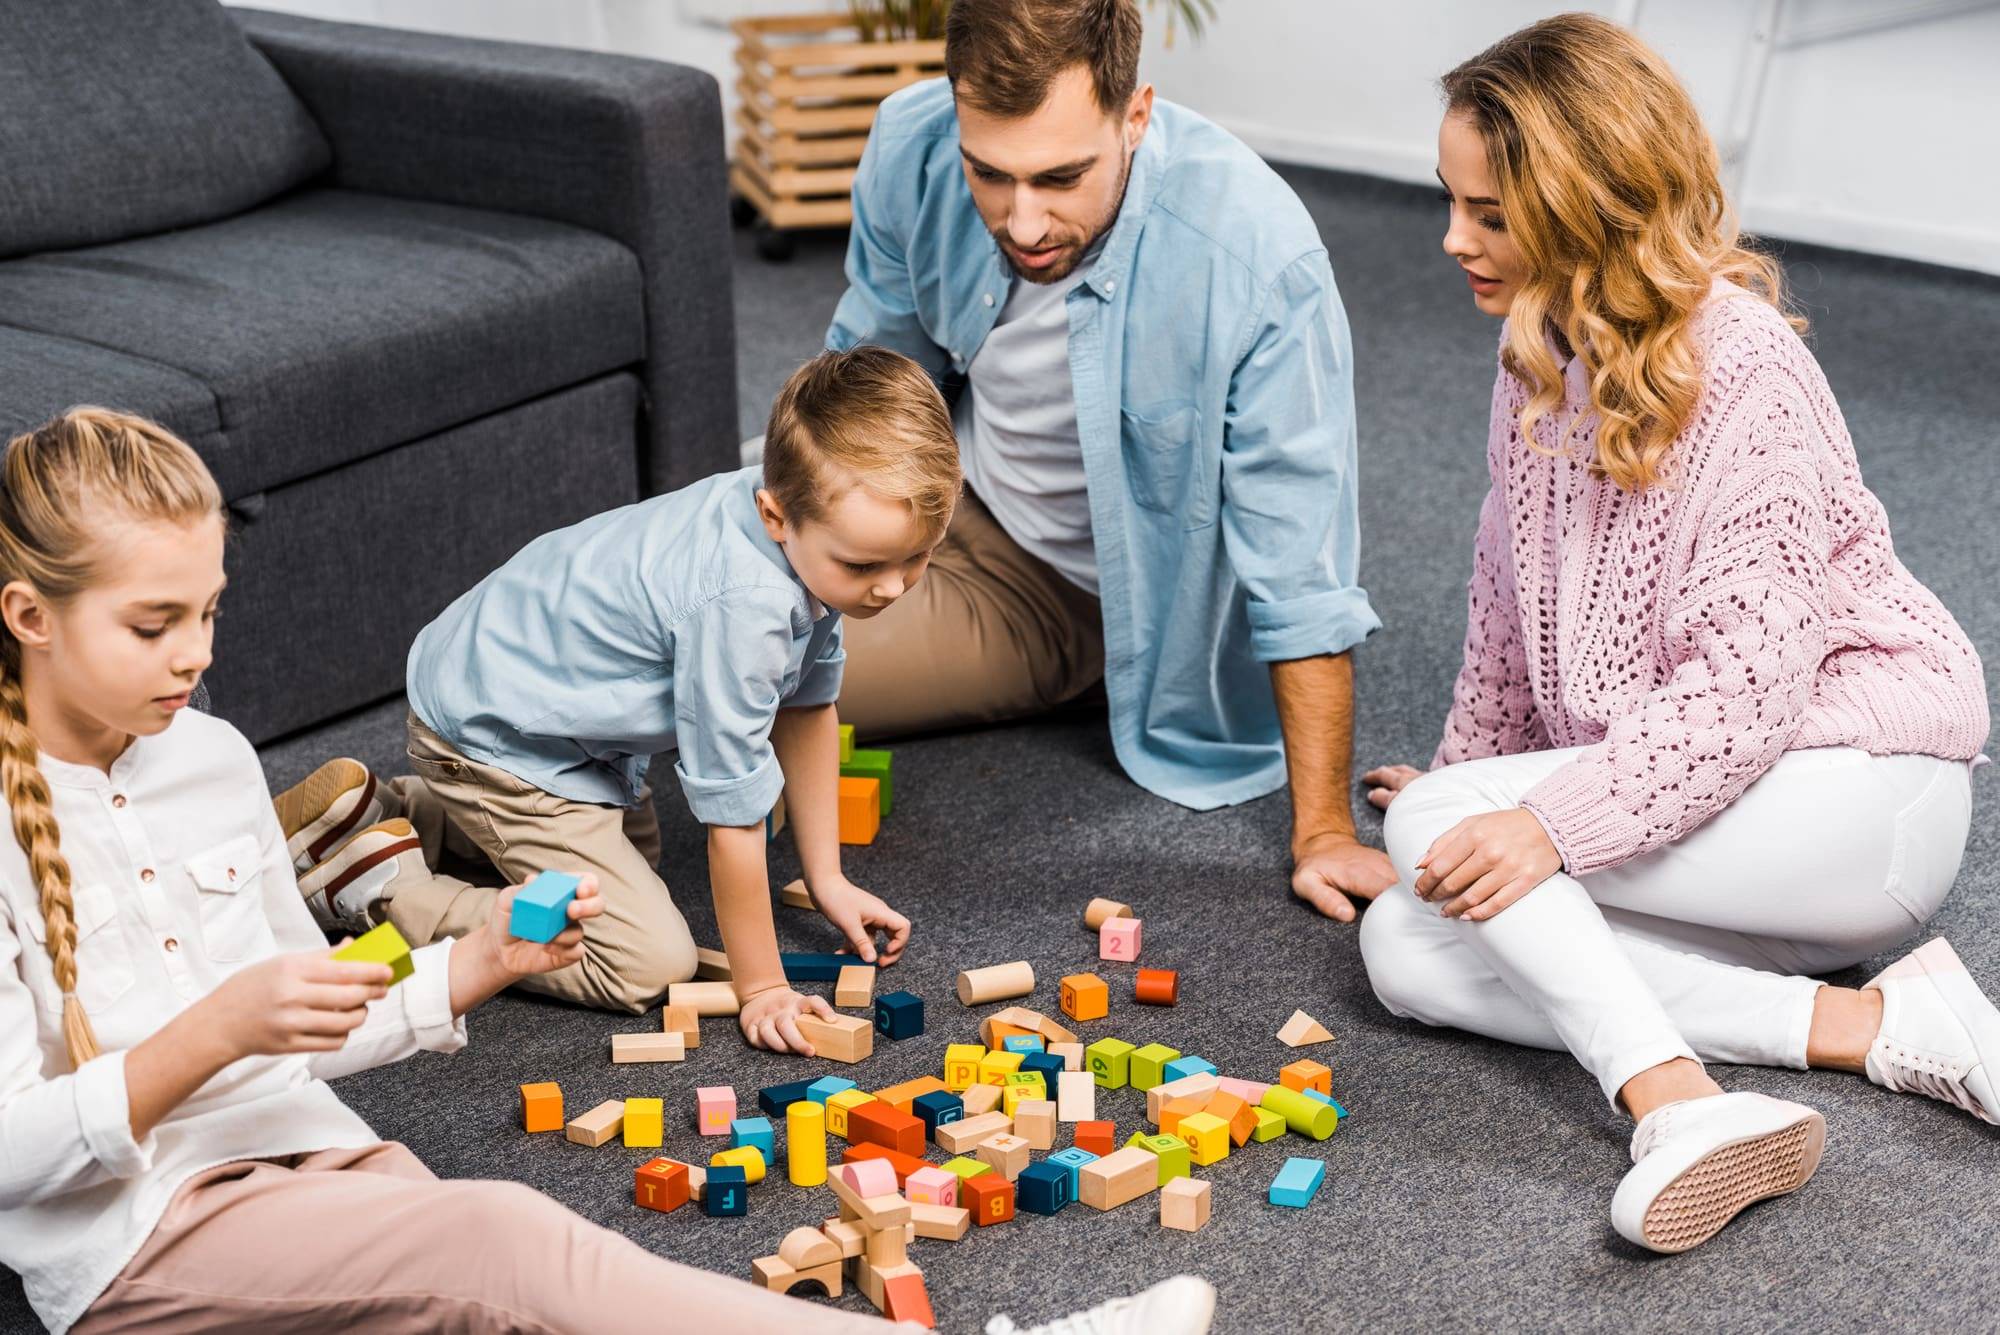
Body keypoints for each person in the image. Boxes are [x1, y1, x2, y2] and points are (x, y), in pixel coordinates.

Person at [0, 407, 902, 1333]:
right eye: (154, 626)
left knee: (511, 1292)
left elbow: (320, 1010)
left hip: (319, 1154)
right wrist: (216, 1031)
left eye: (209, 611)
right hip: (147, 1230)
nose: (196, 654)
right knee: (511, 1245)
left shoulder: (216, 757)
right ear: (31, 616)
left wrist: (478, 959)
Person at [1354, 14, 1994, 1254]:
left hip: (1862, 791)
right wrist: (1470, 779)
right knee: (1406, 943)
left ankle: (1676, 1105)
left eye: (1488, 213)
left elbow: (1747, 695)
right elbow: (1505, 597)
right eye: (1451, 201)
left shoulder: (1742, 367)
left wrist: (1531, 817)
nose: (1450, 239)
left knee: (1441, 838)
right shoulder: (1533, 348)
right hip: (1727, 813)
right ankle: (1879, 1030)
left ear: (1589, 204)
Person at [824, 0, 1394, 916]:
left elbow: (1303, 567)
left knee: (741, 653)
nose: (1024, 221)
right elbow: (870, 372)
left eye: (1061, 176)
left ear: (1136, 115)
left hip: (1061, 595)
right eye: (991, 175)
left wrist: (1324, 828)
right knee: (677, 558)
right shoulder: (914, 139)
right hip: (938, 489)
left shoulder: (1257, 257)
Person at [289, 348, 957, 1041]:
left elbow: (809, 705)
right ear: (775, 515)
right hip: (497, 734)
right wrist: (762, 987)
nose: (890, 586)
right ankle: (376, 887)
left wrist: (828, 877)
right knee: (642, 957)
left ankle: (394, 810)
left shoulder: (807, 522)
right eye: (864, 565)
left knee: (630, 867)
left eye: (917, 556)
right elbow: (733, 816)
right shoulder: (745, 604)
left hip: (543, 717)